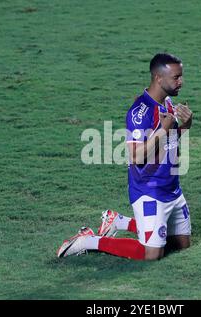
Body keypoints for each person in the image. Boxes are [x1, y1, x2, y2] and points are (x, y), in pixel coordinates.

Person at [57, 53, 193, 260]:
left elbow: (172, 146)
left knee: (181, 245)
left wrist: (185, 127)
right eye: (176, 77)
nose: (181, 82)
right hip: (149, 191)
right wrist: (163, 130)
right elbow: (136, 156)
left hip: (172, 189)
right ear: (158, 78)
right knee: (151, 254)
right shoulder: (139, 112)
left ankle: (119, 222)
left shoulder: (167, 104)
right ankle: (87, 241)